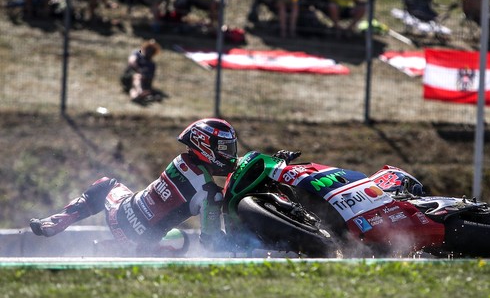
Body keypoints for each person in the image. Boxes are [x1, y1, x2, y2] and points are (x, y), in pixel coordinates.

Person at [29, 118, 301, 255]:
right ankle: (129, 250)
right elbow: (211, 241)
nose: (230, 154)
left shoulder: (182, 161)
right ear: (206, 148)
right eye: (225, 149)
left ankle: (60, 221)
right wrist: (252, 248)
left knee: (108, 184)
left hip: (119, 214)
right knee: (187, 243)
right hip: (141, 240)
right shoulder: (209, 194)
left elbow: (225, 169)